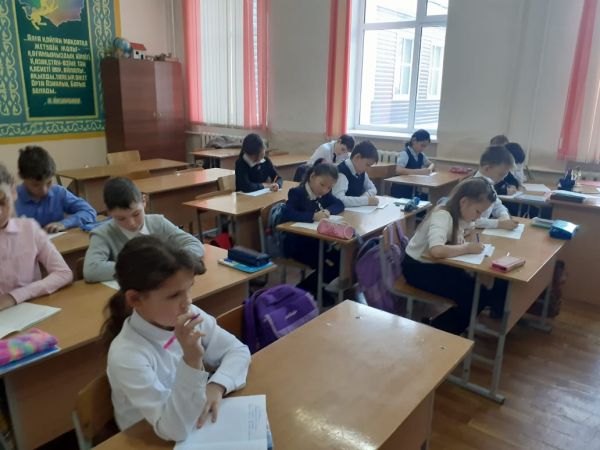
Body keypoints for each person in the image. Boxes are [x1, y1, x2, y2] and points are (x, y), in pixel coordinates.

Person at [104, 236, 251, 441]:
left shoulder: (188, 314)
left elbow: (238, 350)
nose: (187, 302)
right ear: (135, 299)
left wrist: (217, 385)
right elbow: (174, 430)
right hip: (148, 438)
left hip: (191, 424)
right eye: (174, 295)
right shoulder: (127, 354)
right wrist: (192, 360)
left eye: (189, 288)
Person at [402, 178, 508, 335]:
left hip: (435, 264)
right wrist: (467, 247)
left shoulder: (460, 213)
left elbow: (474, 225)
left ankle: (440, 326)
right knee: (476, 296)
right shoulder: (442, 215)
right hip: (418, 268)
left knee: (479, 290)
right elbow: (436, 250)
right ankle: (437, 331)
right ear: (464, 202)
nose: (478, 217)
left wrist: (469, 236)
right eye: (478, 212)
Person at [83, 177, 205, 282]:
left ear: (144, 201)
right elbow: (91, 270)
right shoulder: (102, 234)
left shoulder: (158, 222)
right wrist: (144, 266)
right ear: (109, 212)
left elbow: (195, 244)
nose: (131, 223)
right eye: (121, 218)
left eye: (136, 214)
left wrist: (171, 261)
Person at [0, 164, 72, 311]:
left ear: (13, 192)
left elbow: (64, 273)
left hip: (31, 311)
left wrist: (15, 296)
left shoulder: (29, 229)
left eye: (3, 201)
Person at [283, 162, 344, 303]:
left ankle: (310, 287)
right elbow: (288, 213)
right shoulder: (297, 193)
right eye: (322, 185)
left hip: (317, 241)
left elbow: (339, 204)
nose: (325, 190)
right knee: (326, 262)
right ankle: (308, 288)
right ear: (312, 177)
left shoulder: (323, 194)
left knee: (342, 259)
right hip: (297, 244)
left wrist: (328, 211)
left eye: (329, 188)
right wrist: (312, 216)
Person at [15, 146, 97, 233]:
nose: (44, 190)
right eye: (36, 185)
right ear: (21, 176)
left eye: (48, 182)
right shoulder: (12, 199)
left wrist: (64, 224)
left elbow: (89, 211)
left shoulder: (58, 192)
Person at [472, 146, 518, 230]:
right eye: (501, 174)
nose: (503, 178)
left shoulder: (489, 185)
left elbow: (497, 205)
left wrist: (504, 216)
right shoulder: (472, 188)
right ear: (487, 168)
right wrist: (498, 224)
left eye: (505, 175)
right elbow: (472, 220)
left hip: (481, 231)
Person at [331, 140, 379, 207]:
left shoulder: (361, 172)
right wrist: (366, 201)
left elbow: (373, 189)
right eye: (367, 165)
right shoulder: (342, 172)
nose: (368, 169)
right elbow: (339, 199)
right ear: (357, 157)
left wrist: (363, 198)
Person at [392, 129, 436, 198]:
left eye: (425, 146)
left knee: (429, 198)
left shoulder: (421, 155)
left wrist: (429, 170)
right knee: (427, 199)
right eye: (422, 145)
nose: (423, 148)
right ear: (414, 140)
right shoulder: (405, 154)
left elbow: (432, 164)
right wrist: (419, 171)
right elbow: (398, 170)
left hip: (413, 190)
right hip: (401, 191)